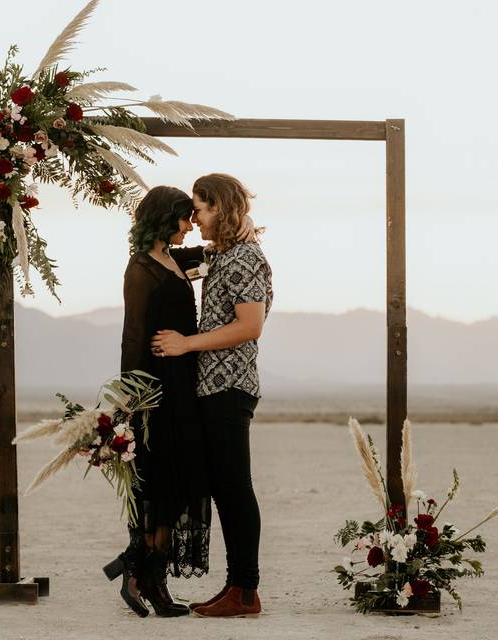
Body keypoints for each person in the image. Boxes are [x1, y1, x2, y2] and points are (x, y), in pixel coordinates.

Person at [102, 186, 255, 617]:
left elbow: (225, 256)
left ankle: (144, 571)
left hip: (185, 383)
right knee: (161, 482)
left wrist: (239, 227)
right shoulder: (141, 270)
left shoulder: (174, 259)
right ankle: (146, 578)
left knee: (178, 482)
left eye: (194, 216)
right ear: (164, 219)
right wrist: (129, 402)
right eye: (184, 218)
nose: (191, 226)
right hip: (157, 389)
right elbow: (133, 338)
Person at [152, 173, 273, 618]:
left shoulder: (242, 258)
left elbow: (250, 325)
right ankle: (238, 587)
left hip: (230, 386)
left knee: (235, 489)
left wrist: (186, 343)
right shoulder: (222, 255)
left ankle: (245, 590)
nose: (195, 219)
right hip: (215, 387)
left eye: (199, 210)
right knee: (225, 488)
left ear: (218, 207)